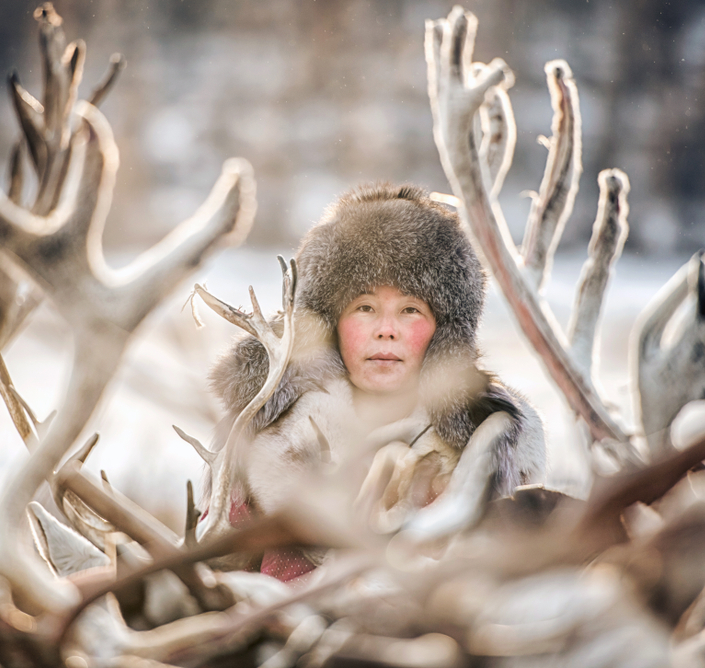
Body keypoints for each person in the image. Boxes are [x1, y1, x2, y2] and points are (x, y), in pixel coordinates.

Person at [203, 183, 546, 582]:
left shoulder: (494, 443)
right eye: (364, 308)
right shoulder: (259, 433)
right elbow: (212, 579)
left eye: (410, 310)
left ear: (444, 332)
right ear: (329, 323)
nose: (386, 330)